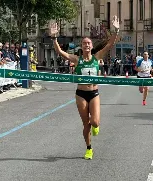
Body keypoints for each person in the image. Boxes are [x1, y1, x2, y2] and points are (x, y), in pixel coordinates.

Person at [49, 15, 120, 160]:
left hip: (94, 93)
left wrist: (116, 31)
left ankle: (96, 126)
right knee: (85, 123)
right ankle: (89, 148)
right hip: (81, 93)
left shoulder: (97, 57)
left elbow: (110, 44)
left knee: (94, 122)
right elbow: (60, 53)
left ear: (92, 46)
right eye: (84, 43)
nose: (86, 45)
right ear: (82, 47)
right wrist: (54, 38)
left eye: (88, 43)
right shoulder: (77, 59)